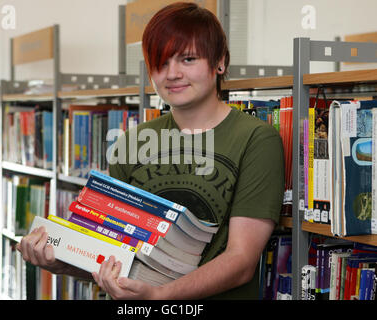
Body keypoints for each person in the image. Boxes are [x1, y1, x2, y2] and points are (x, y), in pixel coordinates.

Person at [17, 2, 285, 300]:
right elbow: (113, 258)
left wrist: (158, 297)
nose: (172, 74)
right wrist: (62, 262)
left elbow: (241, 262)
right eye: (160, 63)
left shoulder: (257, 140)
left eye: (188, 59)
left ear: (219, 62)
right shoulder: (131, 142)